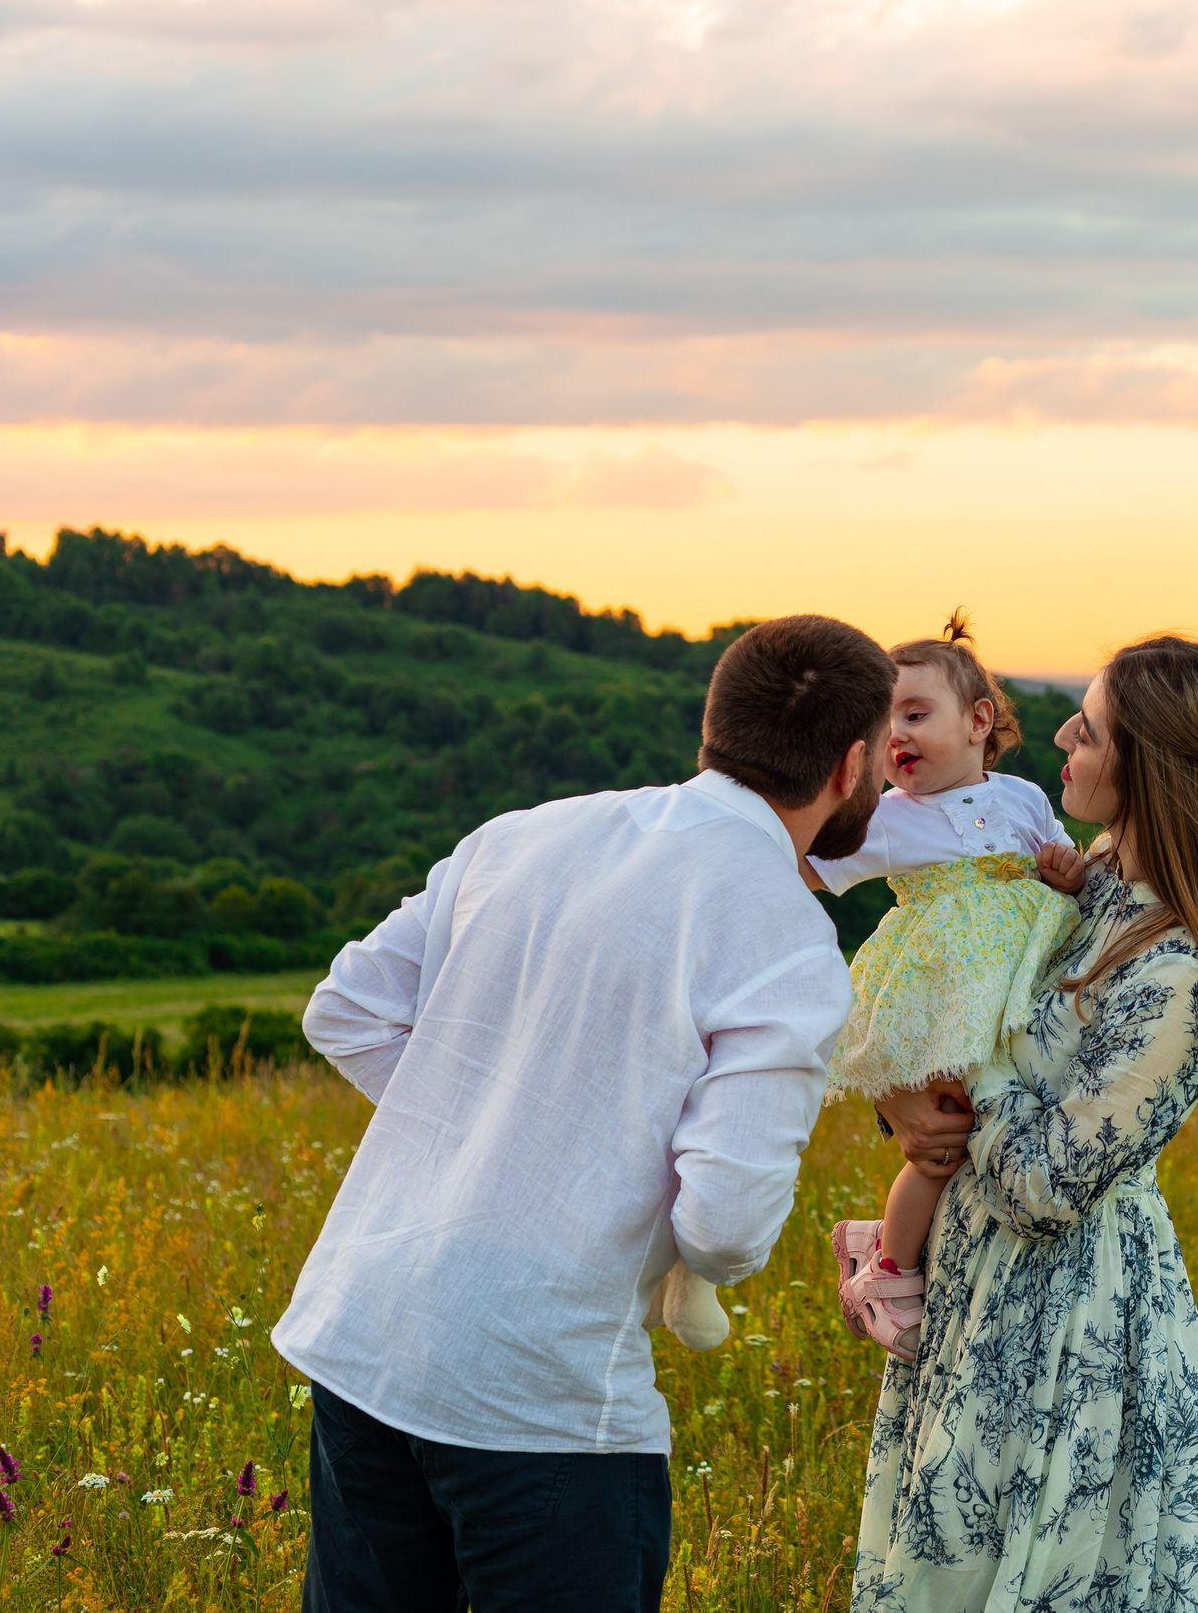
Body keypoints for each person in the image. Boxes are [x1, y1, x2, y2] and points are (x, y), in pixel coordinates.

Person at [270, 615, 895, 1613]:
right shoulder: (784, 937)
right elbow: (725, 1230)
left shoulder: (528, 832)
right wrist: (550, 1149)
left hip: (368, 1332)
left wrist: (495, 1126)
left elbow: (346, 1011)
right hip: (541, 1387)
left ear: (715, 724)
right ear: (852, 763)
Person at [852, 634, 1198, 1613]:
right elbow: (953, 998)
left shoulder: (1178, 971)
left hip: (1077, 1328)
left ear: (1149, 769)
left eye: (1087, 731)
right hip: (975, 1297)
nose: (1059, 736)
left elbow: (1045, 1187)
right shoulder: (1076, 883)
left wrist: (978, 1079)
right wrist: (903, 1099)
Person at [808, 613, 1088, 1359]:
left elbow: (1060, 859)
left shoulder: (1024, 798)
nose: (894, 732)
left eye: (915, 713)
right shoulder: (888, 818)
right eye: (882, 722)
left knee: (989, 1124)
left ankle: (882, 1246)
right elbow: (808, 867)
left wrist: (1062, 871)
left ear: (978, 721)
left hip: (1014, 990)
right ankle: (887, 1272)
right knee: (939, 1141)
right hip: (941, 1001)